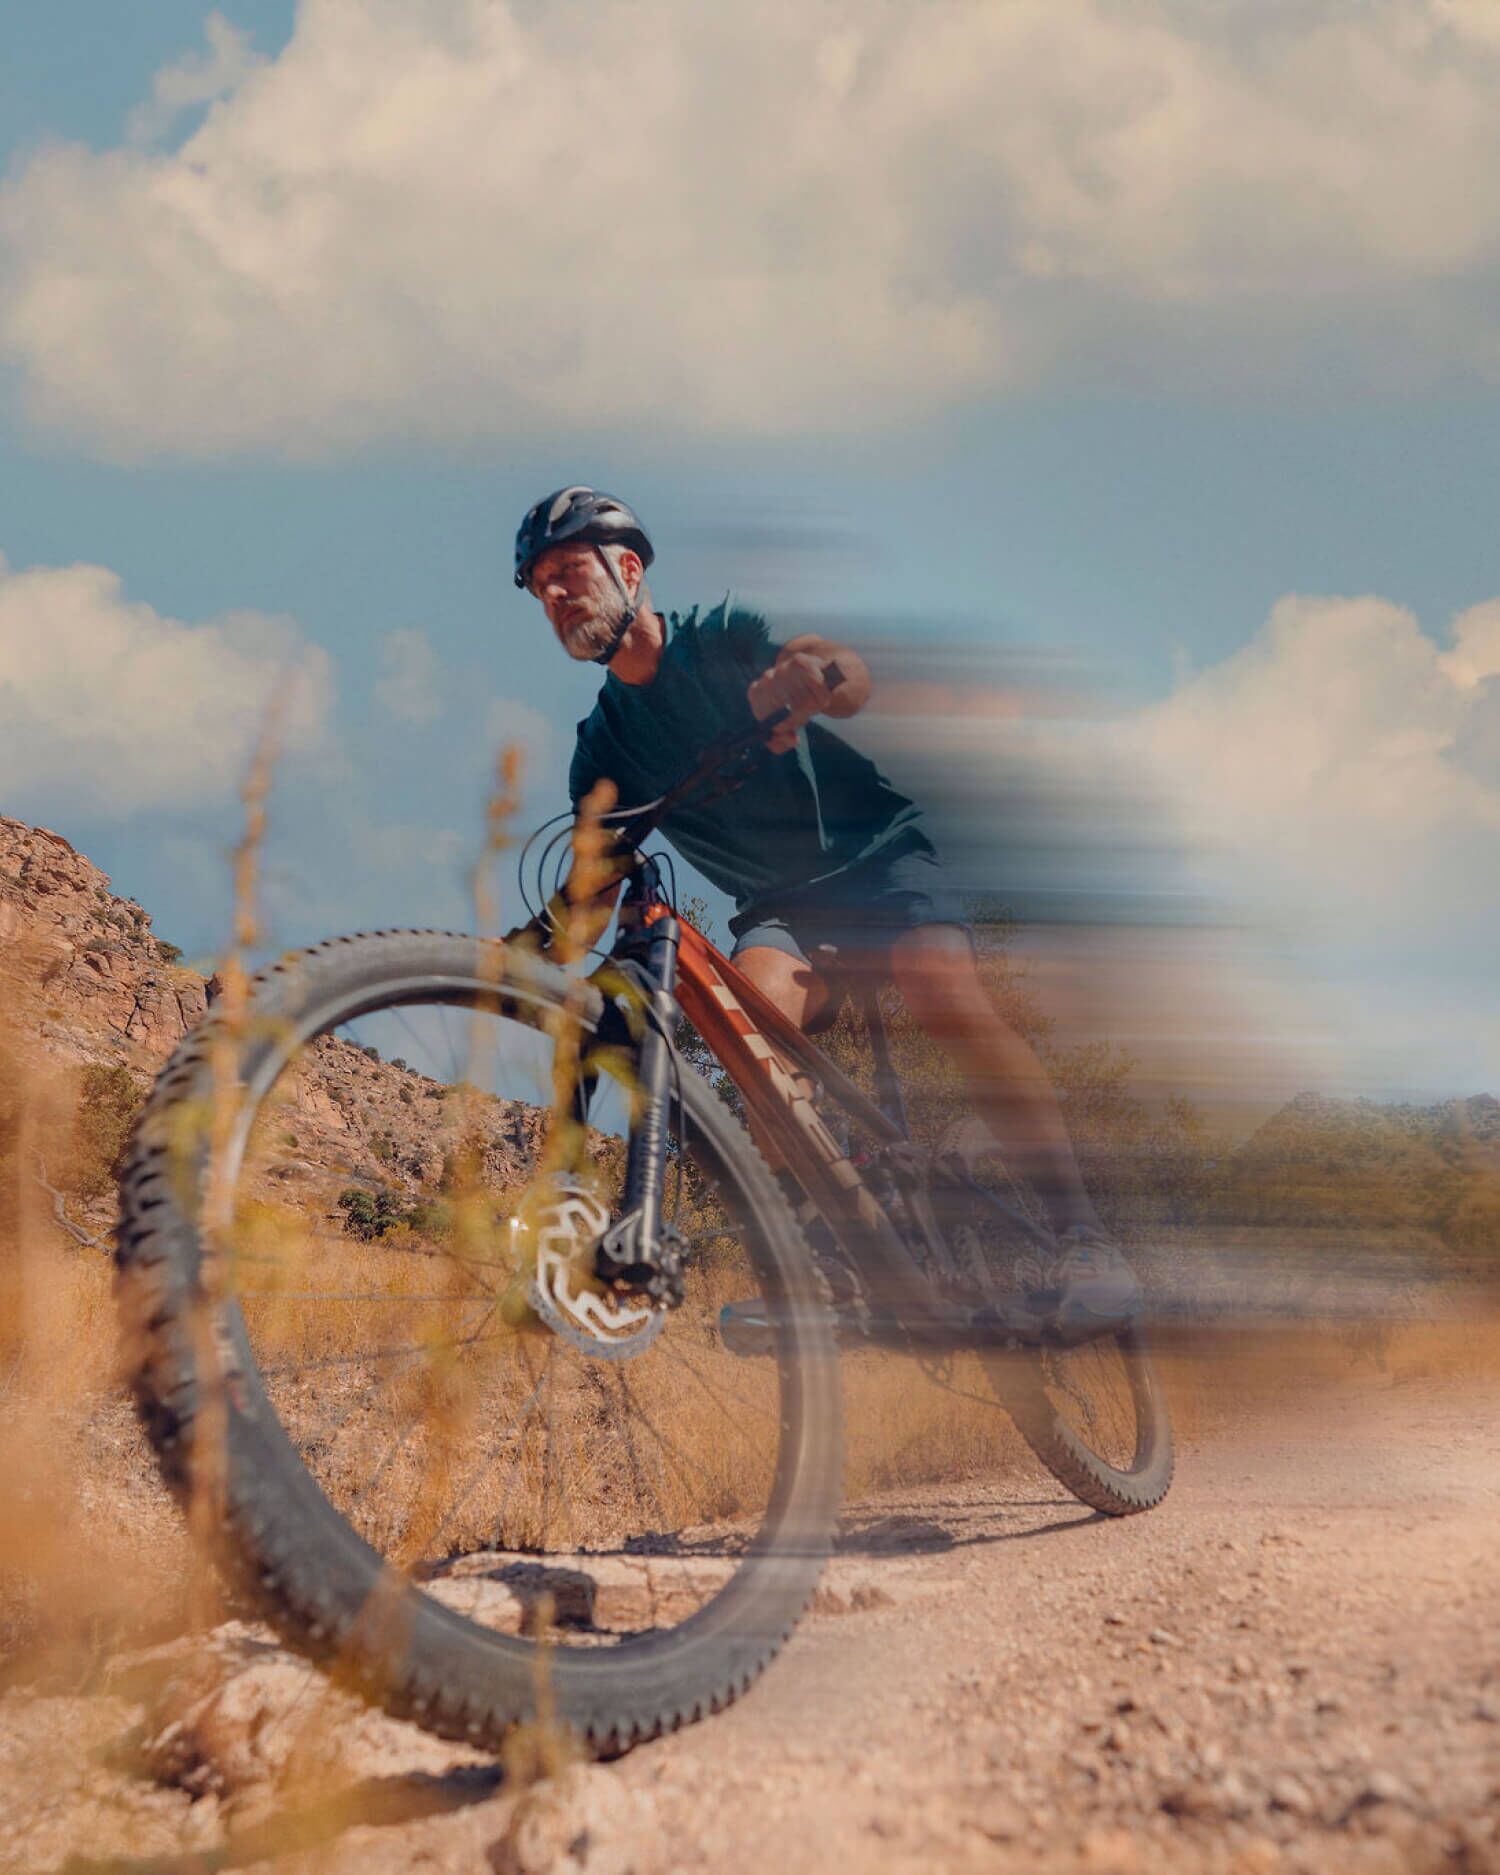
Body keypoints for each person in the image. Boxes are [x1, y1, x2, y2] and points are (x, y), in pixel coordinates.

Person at [513, 484, 1140, 1332]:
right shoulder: (601, 751)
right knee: (750, 1035)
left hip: (878, 861)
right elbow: (594, 890)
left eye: (568, 570)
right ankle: (835, 1257)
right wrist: (530, 945)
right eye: (539, 584)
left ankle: (1083, 1238)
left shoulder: (722, 641)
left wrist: (815, 677)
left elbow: (840, 673)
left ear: (628, 569)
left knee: (938, 986)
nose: (555, 593)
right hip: (781, 909)